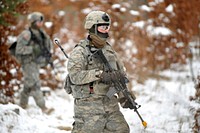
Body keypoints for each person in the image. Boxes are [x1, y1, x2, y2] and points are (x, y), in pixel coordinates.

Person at [67, 10, 136, 133]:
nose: (106, 30)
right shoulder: (80, 52)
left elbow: (120, 76)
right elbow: (75, 76)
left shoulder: (109, 51)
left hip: (109, 102)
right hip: (88, 106)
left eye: (107, 27)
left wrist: (123, 96)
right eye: (103, 27)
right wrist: (99, 75)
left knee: (122, 130)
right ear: (93, 28)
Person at [16, 12, 53, 114]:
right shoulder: (26, 34)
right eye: (38, 21)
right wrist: (32, 49)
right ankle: (43, 107)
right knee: (35, 84)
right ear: (33, 22)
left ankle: (22, 106)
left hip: (36, 62)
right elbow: (19, 49)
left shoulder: (42, 34)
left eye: (41, 21)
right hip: (28, 62)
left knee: (28, 85)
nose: (40, 23)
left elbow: (47, 46)